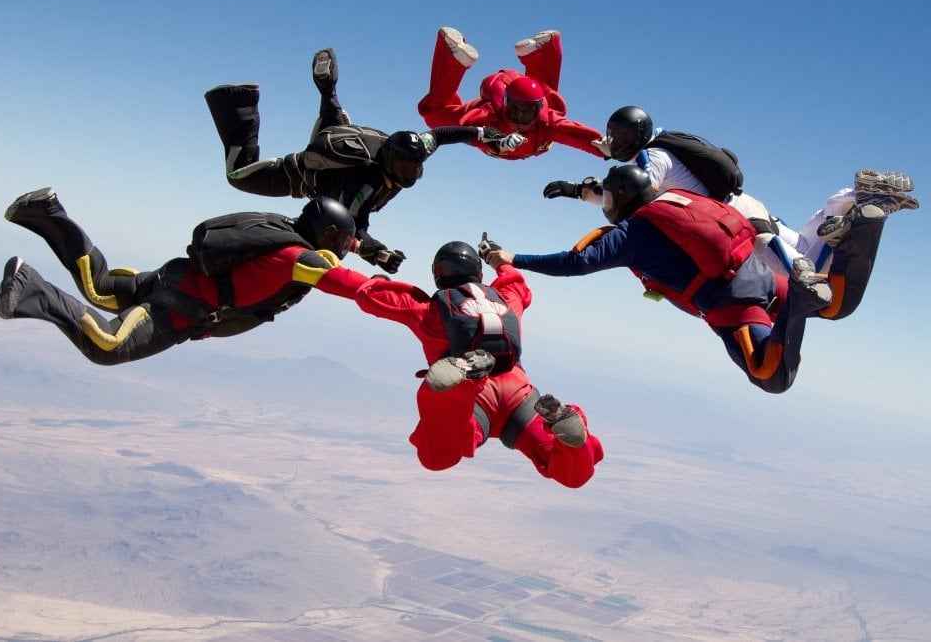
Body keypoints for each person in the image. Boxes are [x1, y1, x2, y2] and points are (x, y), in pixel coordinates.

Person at [488, 165, 918, 395]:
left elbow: (574, 262)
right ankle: (865, 222)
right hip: (765, 277)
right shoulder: (681, 199)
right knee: (837, 305)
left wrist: (513, 258)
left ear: (621, 200)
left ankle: (802, 302)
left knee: (771, 375)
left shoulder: (629, 234)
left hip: (736, 304)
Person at [205, 48, 519, 275]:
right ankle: (238, 102)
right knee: (237, 175)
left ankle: (328, 90)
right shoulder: (363, 185)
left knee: (333, 120)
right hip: (297, 174)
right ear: (389, 159)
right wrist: (378, 254)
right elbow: (353, 229)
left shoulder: (412, 148)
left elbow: (441, 134)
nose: (408, 174)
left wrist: (484, 134)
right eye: (403, 168)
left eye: (414, 168)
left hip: (343, 138)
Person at [0, 188, 369, 365]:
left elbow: (342, 245)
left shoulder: (282, 233)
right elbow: (355, 286)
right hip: (179, 308)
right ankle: (29, 285)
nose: (343, 250)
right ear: (329, 236)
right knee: (107, 346)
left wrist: (370, 248)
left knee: (101, 287)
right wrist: (420, 303)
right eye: (343, 243)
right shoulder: (298, 258)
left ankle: (45, 211)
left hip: (175, 279)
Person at [342, 238, 604, 488]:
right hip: (519, 395)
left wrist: (309, 263)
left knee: (438, 456)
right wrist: (495, 256)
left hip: (477, 398)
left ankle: (455, 386)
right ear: (478, 273)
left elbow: (360, 291)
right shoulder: (507, 299)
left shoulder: (429, 311)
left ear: (437, 273)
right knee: (573, 475)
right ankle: (566, 427)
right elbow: (515, 281)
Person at [543, 105, 919, 274]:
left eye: (622, 137)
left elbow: (632, 194)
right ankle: (850, 200)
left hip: (737, 219)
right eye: (614, 136)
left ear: (638, 136)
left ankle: (834, 234)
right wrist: (578, 189)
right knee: (804, 244)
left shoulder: (650, 160)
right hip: (746, 204)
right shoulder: (669, 142)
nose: (617, 142)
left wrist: (579, 191)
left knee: (808, 271)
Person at [417, 27, 606, 160]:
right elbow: (579, 136)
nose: (520, 118)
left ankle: (455, 59)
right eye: (516, 109)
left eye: (526, 111)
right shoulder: (494, 116)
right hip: (500, 94)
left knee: (542, 94)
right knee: (435, 116)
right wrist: (607, 148)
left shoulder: (547, 123)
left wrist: (606, 147)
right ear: (507, 104)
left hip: (511, 96)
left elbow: (579, 136)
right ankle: (544, 52)